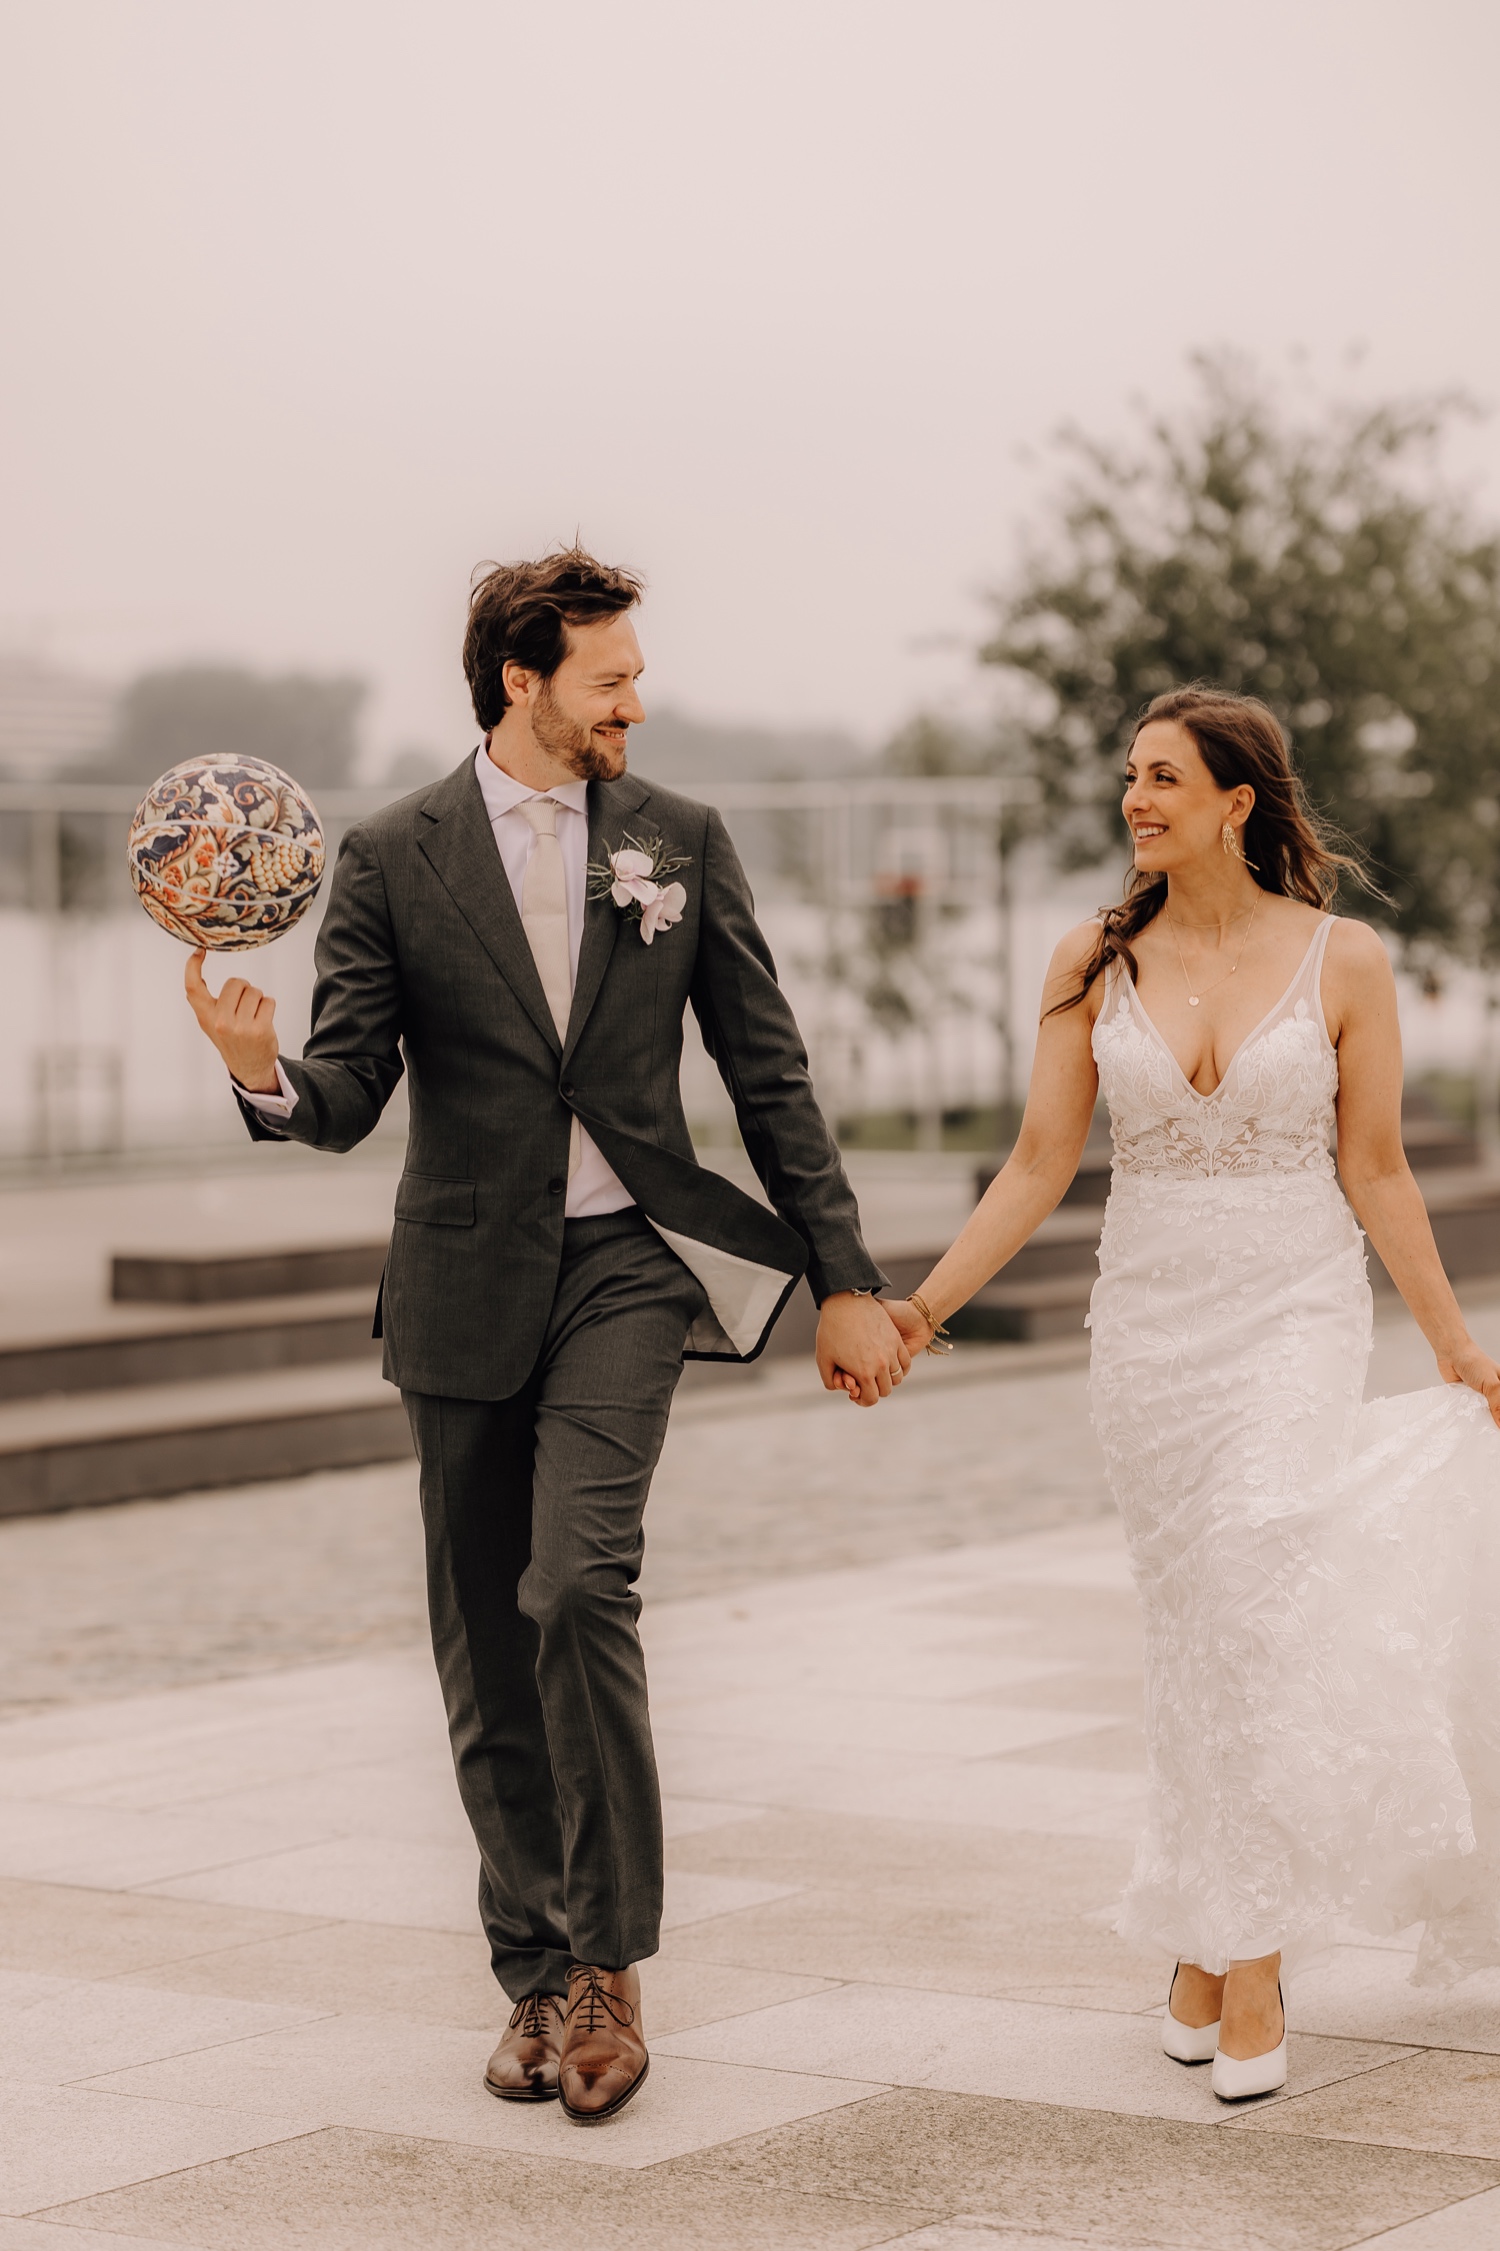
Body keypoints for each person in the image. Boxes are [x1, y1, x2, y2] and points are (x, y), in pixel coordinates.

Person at [184, 547, 905, 2124]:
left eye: (633, 675)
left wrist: (844, 1275)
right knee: (480, 1637)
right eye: (609, 678)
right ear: (523, 682)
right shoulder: (392, 854)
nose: (635, 701)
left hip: (632, 1266)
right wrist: (261, 1075)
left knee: (576, 1583)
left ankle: (610, 1971)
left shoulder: (679, 843)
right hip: (460, 1279)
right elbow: (350, 1088)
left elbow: (769, 1074)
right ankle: (531, 1976)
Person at [883, 687, 1500, 2101]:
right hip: (1148, 1333)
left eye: (1165, 778)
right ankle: (1196, 1936)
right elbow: (1038, 1166)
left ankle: (1254, 1956)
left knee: (1255, 1605)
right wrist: (921, 1310)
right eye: (1129, 777)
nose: (1135, 800)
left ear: (1240, 800)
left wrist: (1461, 1351)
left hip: (1295, 1313)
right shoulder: (1087, 961)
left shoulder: (1348, 962)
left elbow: (1380, 1171)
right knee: (1193, 1634)